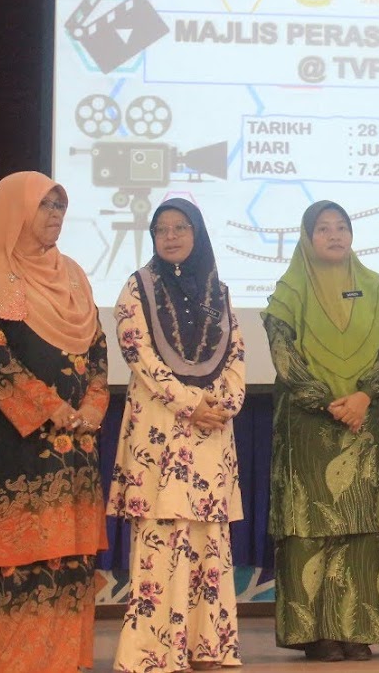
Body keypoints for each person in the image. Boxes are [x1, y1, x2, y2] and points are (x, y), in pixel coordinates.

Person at [0, 171, 108, 673]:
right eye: (44, 205)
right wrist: (49, 408)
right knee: (14, 561)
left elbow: (96, 347)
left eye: (60, 206)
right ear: (14, 211)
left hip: (75, 445)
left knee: (65, 558)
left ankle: (60, 660)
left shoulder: (74, 275)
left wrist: (93, 406)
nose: (55, 215)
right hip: (13, 443)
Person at [108, 199, 247, 671]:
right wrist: (191, 404)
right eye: (161, 229)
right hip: (161, 429)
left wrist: (224, 404)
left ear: (197, 233)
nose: (170, 236)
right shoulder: (137, 288)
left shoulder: (218, 292)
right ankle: (153, 653)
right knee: (162, 535)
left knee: (208, 537)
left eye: (180, 227)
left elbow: (236, 354)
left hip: (211, 432)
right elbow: (139, 356)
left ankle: (207, 646)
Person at [264, 201, 379, 663]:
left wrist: (363, 396)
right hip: (307, 425)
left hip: (365, 420)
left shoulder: (377, 289)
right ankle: (317, 633)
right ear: (307, 238)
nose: (334, 235)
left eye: (342, 227)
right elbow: (285, 358)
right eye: (323, 228)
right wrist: (327, 401)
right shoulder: (289, 292)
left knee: (364, 525)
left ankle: (358, 629)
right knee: (310, 527)